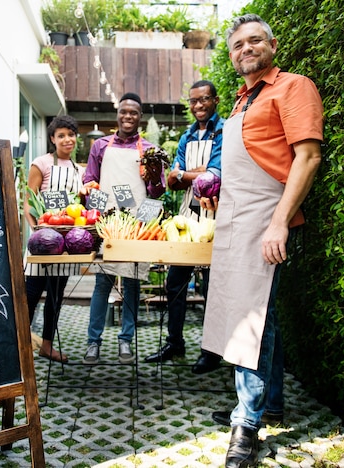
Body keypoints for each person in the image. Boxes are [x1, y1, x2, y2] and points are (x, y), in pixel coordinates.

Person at [200, 14, 323, 467]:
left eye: (255, 41)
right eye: (237, 45)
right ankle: (267, 404)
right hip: (235, 221)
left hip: (265, 221)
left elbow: (307, 158)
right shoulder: (239, 102)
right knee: (256, 315)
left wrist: (279, 222)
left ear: (272, 44)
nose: (245, 49)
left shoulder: (293, 86)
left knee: (252, 321)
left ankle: (246, 425)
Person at [143, 80, 224, 375]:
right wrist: (195, 174)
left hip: (216, 215)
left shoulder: (225, 131)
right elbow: (171, 181)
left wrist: (186, 174)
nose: (198, 105)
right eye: (193, 101)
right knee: (175, 282)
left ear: (215, 100)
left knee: (213, 286)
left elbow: (218, 172)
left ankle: (212, 351)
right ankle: (175, 342)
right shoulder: (186, 136)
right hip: (186, 217)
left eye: (204, 100)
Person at [81, 92, 165, 365]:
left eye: (134, 113)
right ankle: (93, 342)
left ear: (140, 117)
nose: (128, 117)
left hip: (137, 221)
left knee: (131, 284)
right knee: (101, 283)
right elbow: (90, 181)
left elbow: (157, 191)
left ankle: (126, 340)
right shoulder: (101, 146)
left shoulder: (149, 149)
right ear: (118, 114)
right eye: (124, 112)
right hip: (109, 222)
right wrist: (96, 212)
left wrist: (153, 178)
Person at [24, 115, 92, 363]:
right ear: (52, 139)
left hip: (66, 246)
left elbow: (80, 208)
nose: (67, 139)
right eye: (61, 135)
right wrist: (37, 235)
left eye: (71, 134)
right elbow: (28, 203)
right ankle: (19, 348)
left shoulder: (79, 171)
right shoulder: (40, 163)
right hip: (43, 243)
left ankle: (47, 346)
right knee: (30, 296)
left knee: (55, 297)